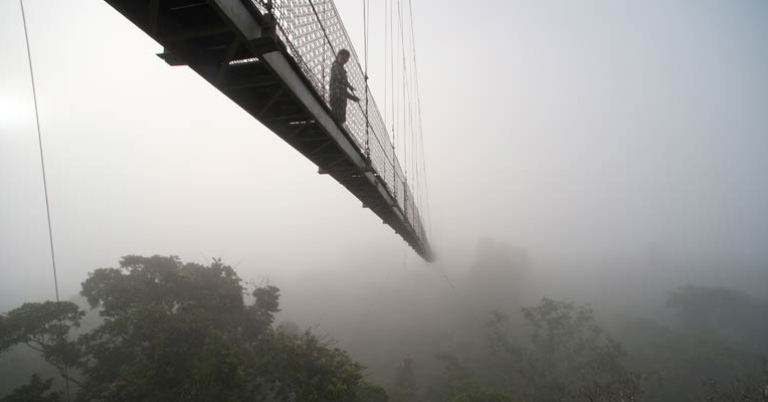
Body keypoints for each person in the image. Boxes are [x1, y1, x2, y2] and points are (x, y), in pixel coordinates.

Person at [329, 49, 360, 125]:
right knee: (336, 119)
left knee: (341, 120)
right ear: (338, 56)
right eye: (343, 58)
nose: (345, 60)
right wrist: (349, 86)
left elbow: (343, 90)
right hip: (336, 97)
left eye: (346, 59)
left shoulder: (341, 69)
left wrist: (351, 94)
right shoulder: (336, 66)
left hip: (341, 98)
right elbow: (341, 79)